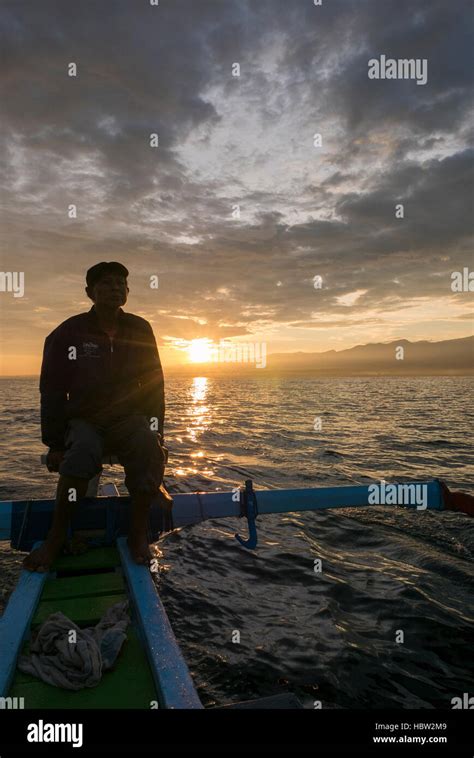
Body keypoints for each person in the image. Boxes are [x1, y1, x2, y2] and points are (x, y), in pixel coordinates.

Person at [23, 261, 171, 571]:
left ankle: (137, 535)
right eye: (105, 283)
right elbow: (52, 389)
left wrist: (158, 431)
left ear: (128, 291)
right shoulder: (69, 331)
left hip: (128, 418)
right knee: (81, 456)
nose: (115, 288)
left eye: (120, 283)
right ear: (90, 292)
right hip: (85, 419)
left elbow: (154, 382)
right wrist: (54, 444)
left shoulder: (140, 328)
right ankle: (56, 537)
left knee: (147, 449)